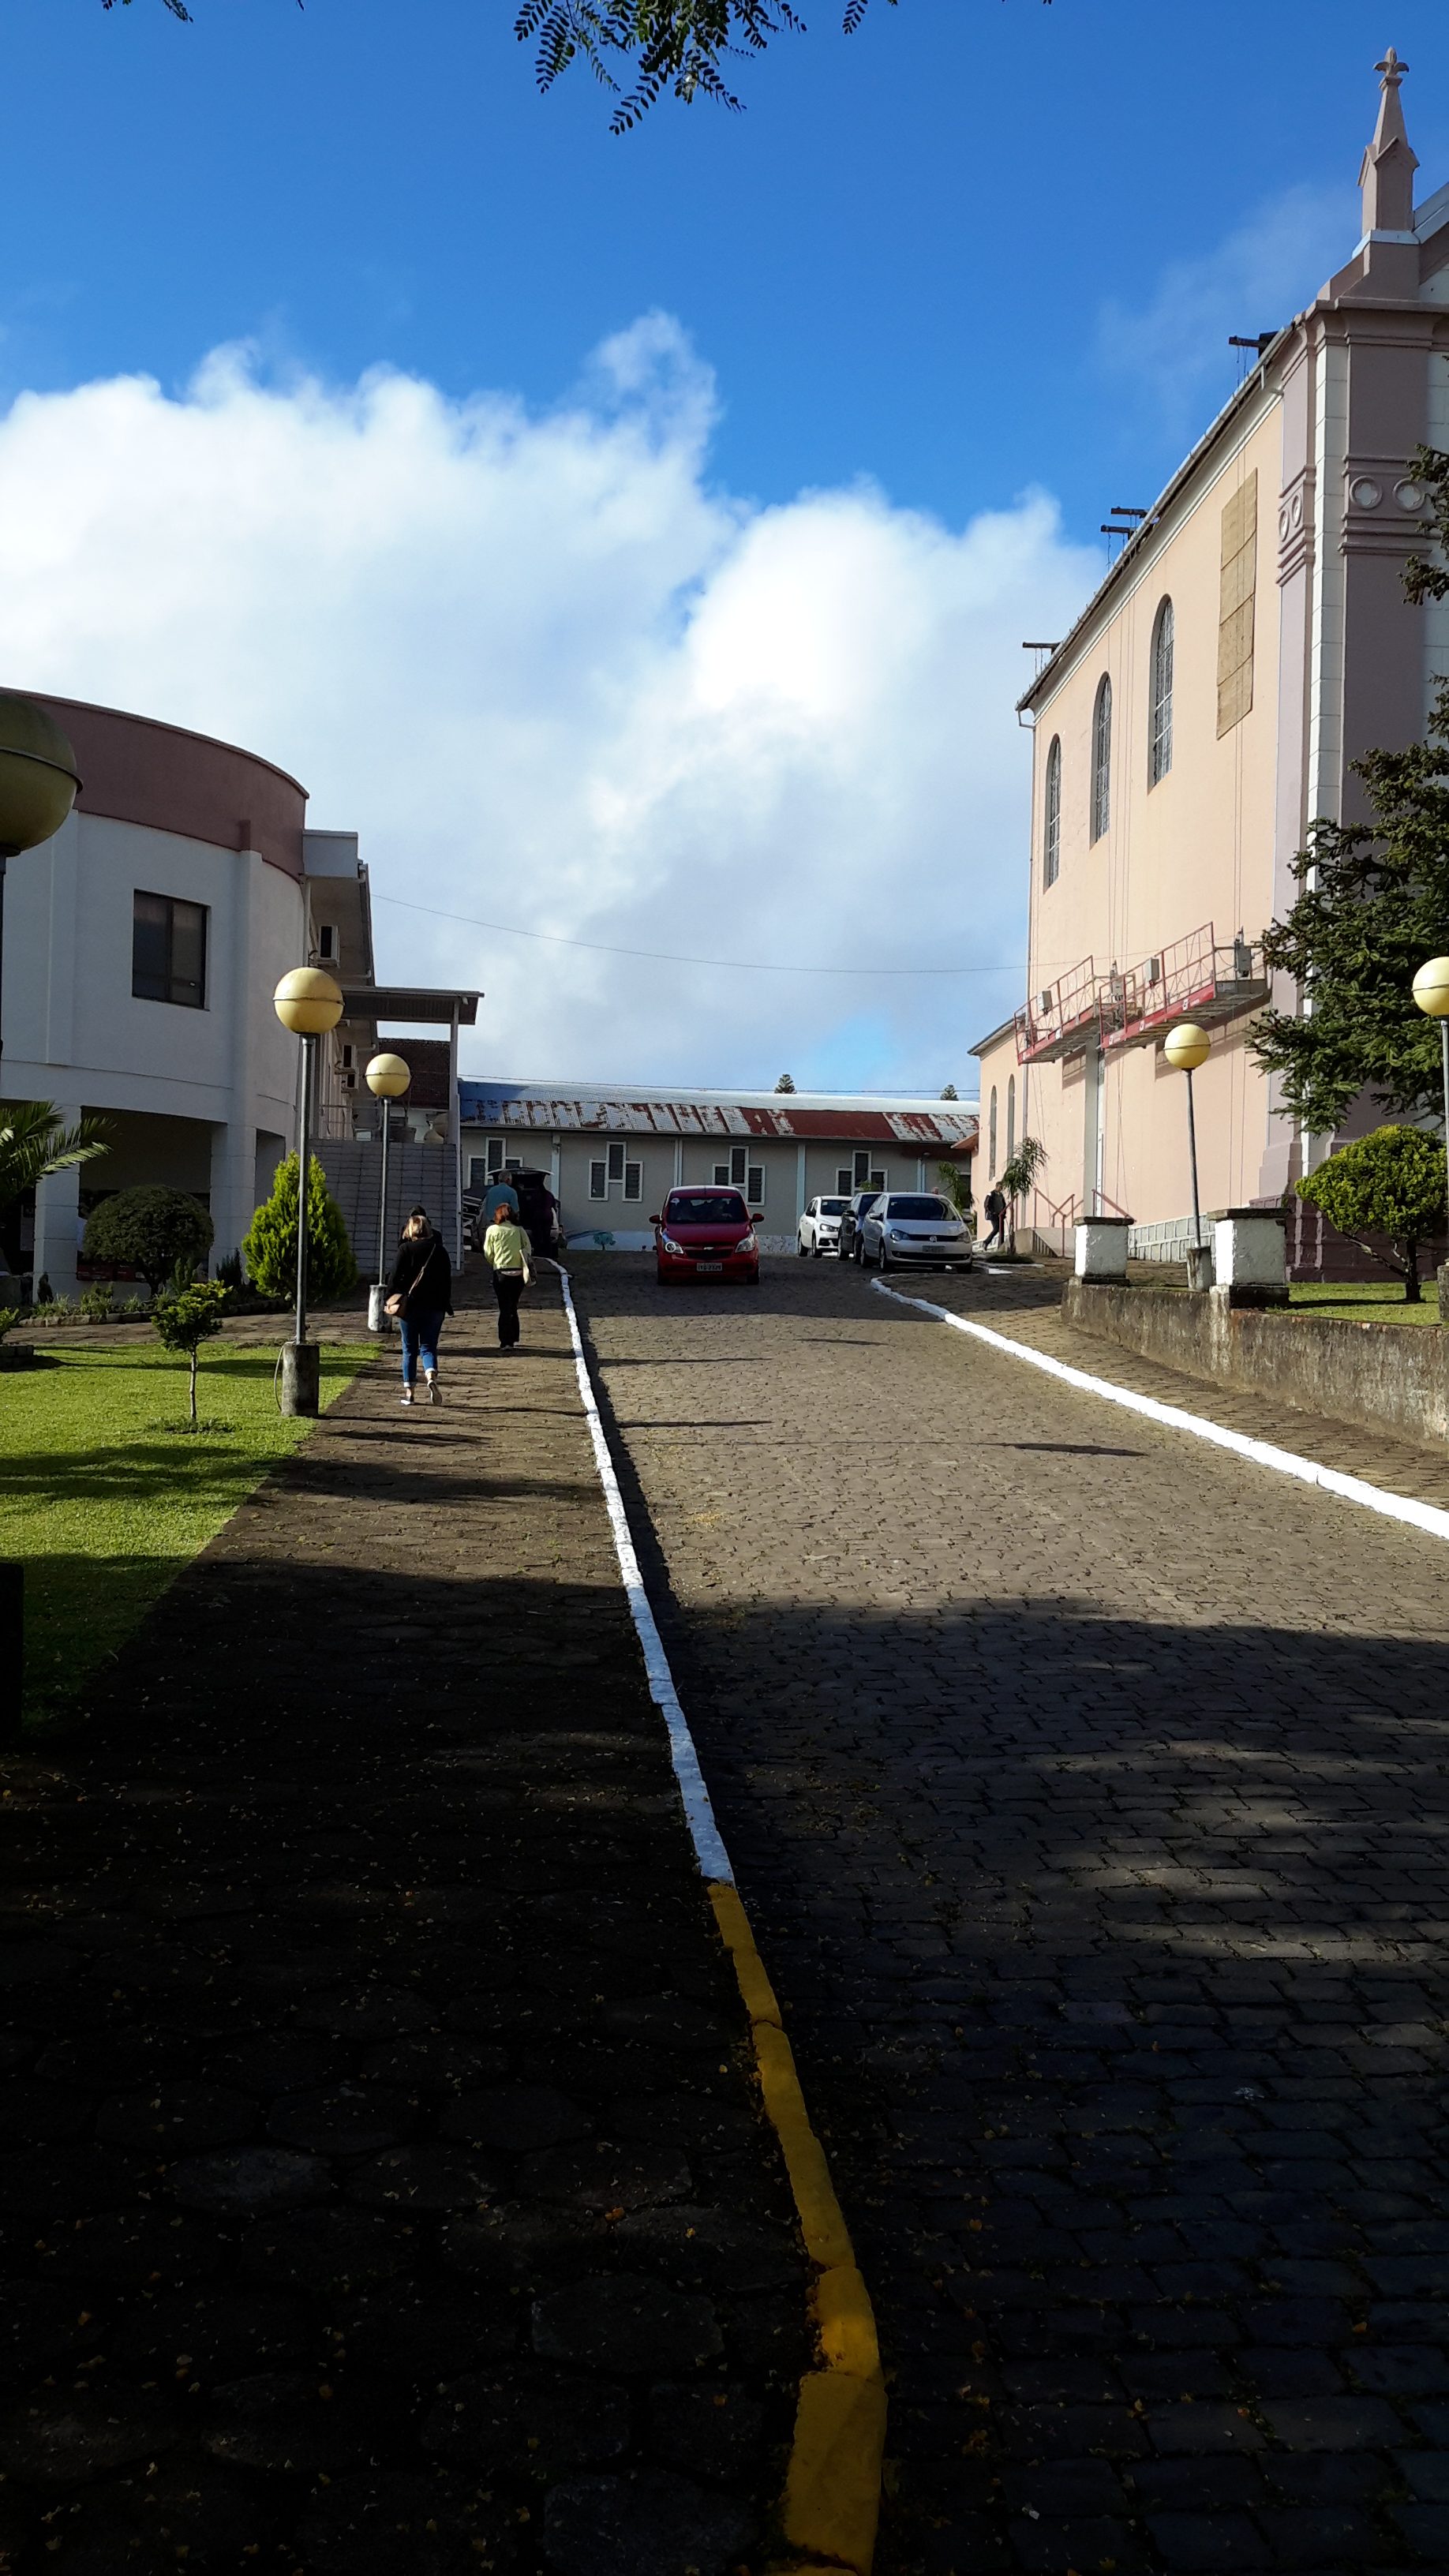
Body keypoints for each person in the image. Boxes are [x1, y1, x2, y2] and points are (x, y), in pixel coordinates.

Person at [385, 1205, 454, 1407]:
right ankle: (430, 1375)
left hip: (410, 1305)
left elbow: (394, 1278)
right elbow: (447, 1281)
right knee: (429, 1346)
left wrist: (390, 1298)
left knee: (409, 1349)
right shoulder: (440, 1251)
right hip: (435, 1306)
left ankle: (410, 1393)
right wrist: (445, 1303)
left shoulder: (405, 1250)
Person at [483, 1205, 535, 1351]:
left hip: (501, 1273)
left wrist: (495, 1262)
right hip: (518, 1274)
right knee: (513, 1305)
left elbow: (488, 1253)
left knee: (504, 1306)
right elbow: (528, 1249)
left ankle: (505, 1340)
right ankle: (513, 1337)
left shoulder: (492, 1230)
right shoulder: (519, 1230)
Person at [983, 1185, 1008, 1251]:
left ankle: (1000, 1246)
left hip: (1000, 1215)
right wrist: (992, 1212)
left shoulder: (1001, 1195)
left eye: (1001, 1187)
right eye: (1000, 1187)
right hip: (993, 1215)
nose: (1001, 1188)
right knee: (996, 1229)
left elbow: (1004, 1204)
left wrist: (1004, 1212)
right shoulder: (991, 1194)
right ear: (996, 1187)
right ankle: (986, 1242)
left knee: (1002, 1231)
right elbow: (986, 1204)